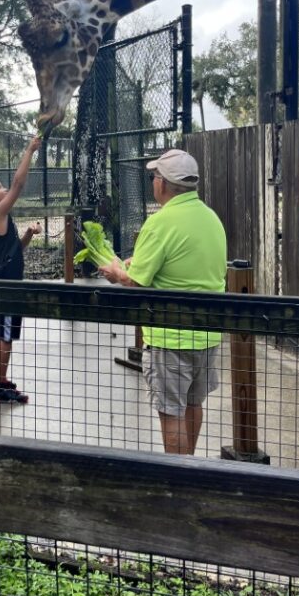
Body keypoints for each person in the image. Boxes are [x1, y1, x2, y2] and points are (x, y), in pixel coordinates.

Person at [99, 149, 226, 455]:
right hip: (208, 333)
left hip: (170, 336)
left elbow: (136, 282)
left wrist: (117, 273)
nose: (152, 182)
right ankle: (190, 469)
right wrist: (136, 265)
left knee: (171, 413)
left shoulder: (160, 223)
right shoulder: (211, 218)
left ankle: (177, 480)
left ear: (164, 184)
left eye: (154, 176)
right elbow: (185, 266)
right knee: (193, 405)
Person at [0, 135, 42, 404]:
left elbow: (15, 252)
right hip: (6, 288)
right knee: (5, 337)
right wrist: (30, 150)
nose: (5, 189)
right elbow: (18, 184)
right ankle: (0, 387)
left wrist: (28, 234)